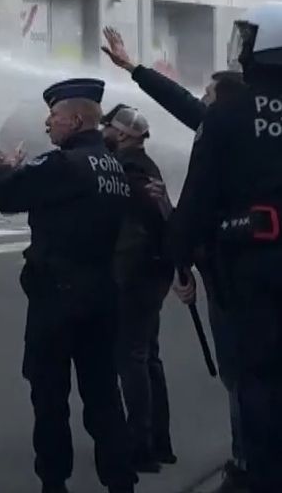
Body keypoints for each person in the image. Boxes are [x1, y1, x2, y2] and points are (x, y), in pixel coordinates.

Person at [101, 26, 252, 492]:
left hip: (240, 272)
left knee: (242, 371)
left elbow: (206, 204)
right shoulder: (241, 131)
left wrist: (183, 252)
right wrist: (133, 69)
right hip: (227, 265)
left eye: (209, 93)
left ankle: (248, 462)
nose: (202, 99)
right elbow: (182, 103)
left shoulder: (229, 137)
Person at [0, 78, 136, 493]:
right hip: (102, 291)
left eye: (53, 116)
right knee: (104, 396)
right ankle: (121, 481)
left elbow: (7, 198)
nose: (47, 123)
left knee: (50, 397)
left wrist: (5, 170)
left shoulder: (62, 164)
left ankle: (55, 481)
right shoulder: (112, 166)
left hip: (57, 296)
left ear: (75, 119)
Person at [168, 5, 282, 493]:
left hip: (250, 265)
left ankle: (258, 474)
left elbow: (198, 197)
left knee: (256, 375)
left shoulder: (228, 113)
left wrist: (179, 257)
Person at [99, 105, 174, 473]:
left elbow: (133, 230)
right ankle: (161, 441)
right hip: (151, 274)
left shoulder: (128, 169)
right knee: (147, 356)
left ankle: (141, 446)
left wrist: (118, 276)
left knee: (132, 358)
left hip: (135, 276)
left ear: (125, 135)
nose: (104, 133)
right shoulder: (145, 166)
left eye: (108, 127)